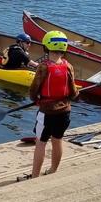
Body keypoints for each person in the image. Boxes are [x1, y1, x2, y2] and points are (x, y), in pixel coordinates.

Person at [20, 29, 79, 180]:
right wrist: (75, 95)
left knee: (41, 143)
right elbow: (73, 92)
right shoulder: (68, 66)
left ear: (46, 47)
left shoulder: (43, 67)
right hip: (65, 111)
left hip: (47, 113)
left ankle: (35, 176)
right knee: (57, 140)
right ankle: (53, 170)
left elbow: (34, 90)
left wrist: (36, 99)